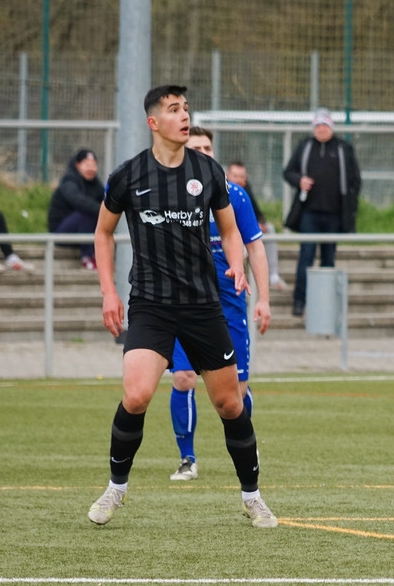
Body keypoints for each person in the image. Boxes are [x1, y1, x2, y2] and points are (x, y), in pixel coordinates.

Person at [87, 85, 277, 528]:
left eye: (186, 108)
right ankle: (116, 488)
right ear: (154, 122)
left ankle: (253, 497)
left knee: (230, 404)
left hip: (202, 306)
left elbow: (230, 231)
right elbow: (103, 233)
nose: (185, 116)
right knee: (136, 395)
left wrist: (236, 264)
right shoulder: (128, 175)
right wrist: (109, 292)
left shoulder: (207, 171)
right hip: (151, 304)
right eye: (174, 109)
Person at [168, 127, 272, 481]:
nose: (202, 152)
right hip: (184, 304)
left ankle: (247, 445)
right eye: (195, 147)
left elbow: (255, 248)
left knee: (235, 393)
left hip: (228, 305)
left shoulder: (234, 195)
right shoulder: (170, 195)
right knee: (184, 378)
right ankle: (187, 458)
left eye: (207, 147)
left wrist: (264, 299)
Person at [282, 107, 362, 317]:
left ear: (331, 127)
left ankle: (325, 305)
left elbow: (355, 180)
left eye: (325, 125)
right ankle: (300, 301)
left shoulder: (344, 148)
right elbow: (288, 172)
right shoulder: (305, 146)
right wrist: (300, 180)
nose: (321, 129)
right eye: (318, 125)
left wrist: (350, 207)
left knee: (328, 261)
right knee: (305, 258)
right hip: (309, 215)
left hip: (334, 216)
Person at [227, 160, 288, 291]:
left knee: (268, 230)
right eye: (235, 176)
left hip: (245, 232)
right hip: (229, 233)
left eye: (242, 177)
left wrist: (260, 223)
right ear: (228, 175)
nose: (238, 180)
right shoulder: (222, 191)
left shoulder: (245, 191)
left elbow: (256, 211)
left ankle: (273, 275)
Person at [48, 148, 104, 270]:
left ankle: (105, 256)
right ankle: (87, 257)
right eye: (87, 165)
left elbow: (105, 200)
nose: (91, 169)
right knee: (85, 214)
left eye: (94, 165)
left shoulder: (95, 183)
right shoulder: (69, 181)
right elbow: (77, 200)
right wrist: (102, 210)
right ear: (77, 165)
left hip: (85, 231)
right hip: (61, 231)